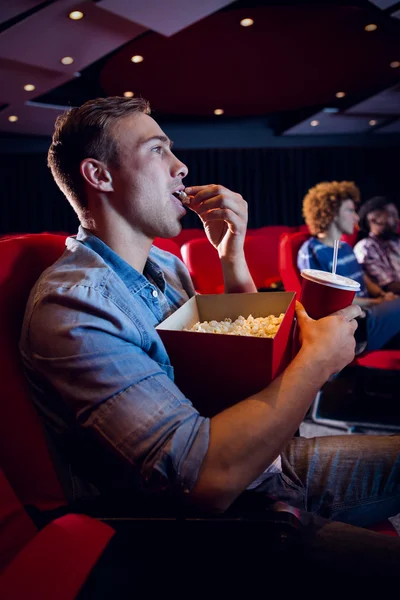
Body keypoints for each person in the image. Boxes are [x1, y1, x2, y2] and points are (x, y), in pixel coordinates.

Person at [20, 98, 400, 579]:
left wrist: (232, 257)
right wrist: (319, 361)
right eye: (158, 150)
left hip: (265, 470)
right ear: (99, 176)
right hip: (211, 528)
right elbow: (205, 479)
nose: (182, 167)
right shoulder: (76, 305)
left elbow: (241, 370)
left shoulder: (167, 266)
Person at [298, 180, 400, 351]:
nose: (356, 217)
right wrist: (377, 301)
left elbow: (363, 278)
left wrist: (382, 294)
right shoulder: (312, 250)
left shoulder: (345, 247)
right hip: (355, 325)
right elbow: (325, 301)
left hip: (370, 313)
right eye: (350, 210)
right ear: (330, 213)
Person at [354, 196, 400, 295]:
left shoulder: (395, 242)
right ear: (373, 219)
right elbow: (389, 286)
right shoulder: (365, 248)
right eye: (392, 215)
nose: (397, 220)